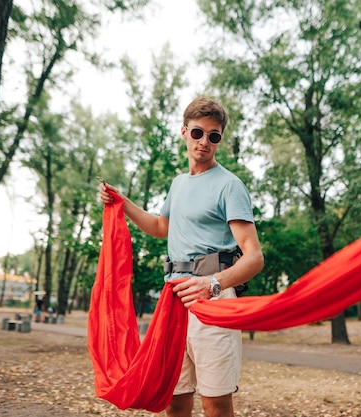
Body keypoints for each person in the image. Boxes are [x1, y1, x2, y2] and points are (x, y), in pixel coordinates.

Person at [100, 96, 264, 417]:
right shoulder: (178, 184)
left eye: (214, 136)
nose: (204, 142)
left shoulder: (229, 186)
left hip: (212, 300)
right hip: (172, 299)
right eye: (198, 133)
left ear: (219, 140)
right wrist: (123, 201)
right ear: (184, 131)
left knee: (215, 403)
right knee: (175, 399)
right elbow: (162, 227)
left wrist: (213, 284)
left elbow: (254, 257)